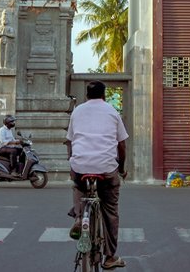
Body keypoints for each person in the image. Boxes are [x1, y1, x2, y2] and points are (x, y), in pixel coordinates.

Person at [64, 80, 127, 270]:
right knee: (110, 211)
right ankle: (109, 257)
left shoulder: (77, 111)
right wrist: (121, 168)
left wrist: (72, 163)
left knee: (77, 185)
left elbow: (69, 141)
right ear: (104, 95)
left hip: (81, 166)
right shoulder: (112, 111)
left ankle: (78, 217)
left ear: (86, 96)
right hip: (107, 169)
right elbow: (121, 145)